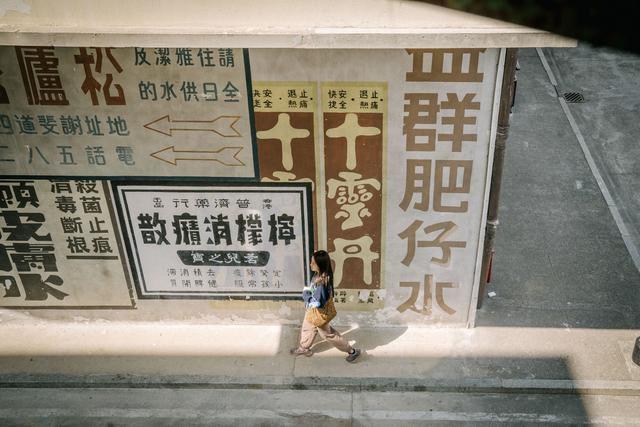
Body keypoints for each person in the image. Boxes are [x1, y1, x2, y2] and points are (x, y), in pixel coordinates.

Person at [290, 250, 361, 363]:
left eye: (313, 262)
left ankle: (352, 351)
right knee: (307, 327)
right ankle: (304, 348)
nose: (310, 264)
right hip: (312, 311)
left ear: (320, 264)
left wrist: (306, 294)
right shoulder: (322, 274)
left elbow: (318, 302)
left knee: (328, 335)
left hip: (319, 313)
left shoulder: (322, 283)